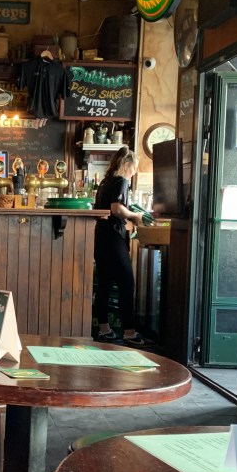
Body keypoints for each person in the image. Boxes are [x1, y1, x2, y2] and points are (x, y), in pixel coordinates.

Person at [92, 146, 147, 346]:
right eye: (134, 167)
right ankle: (129, 333)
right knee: (127, 283)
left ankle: (104, 329)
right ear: (125, 164)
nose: (134, 172)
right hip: (114, 238)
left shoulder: (105, 182)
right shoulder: (121, 181)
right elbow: (116, 209)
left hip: (101, 236)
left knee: (105, 284)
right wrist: (135, 216)